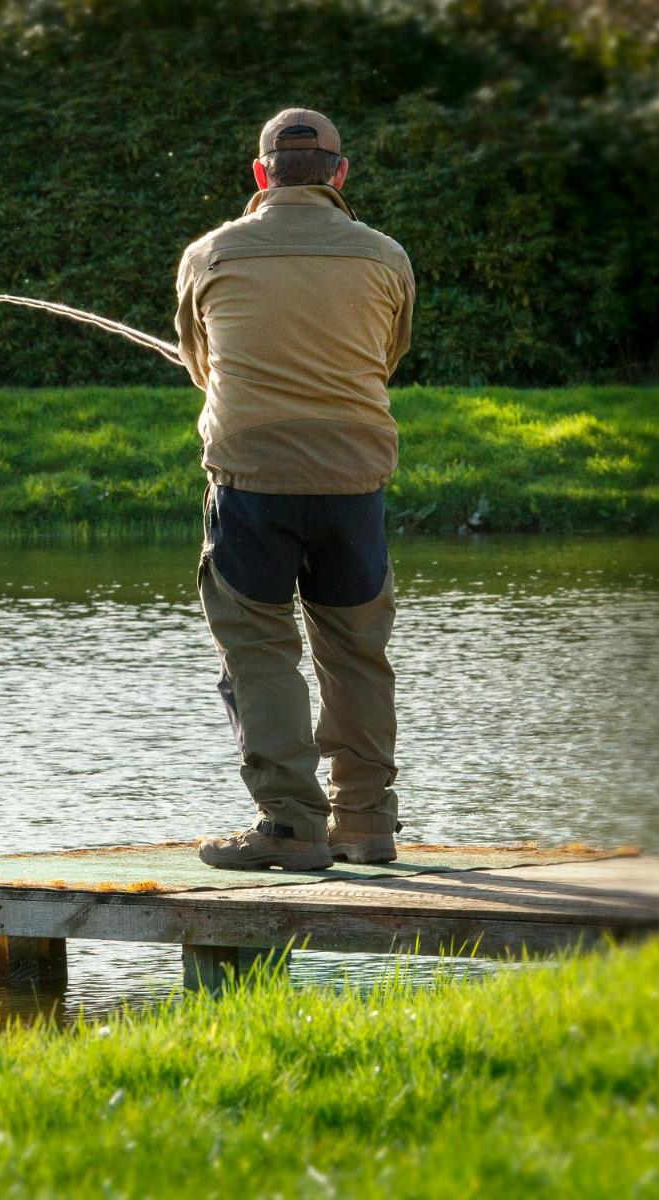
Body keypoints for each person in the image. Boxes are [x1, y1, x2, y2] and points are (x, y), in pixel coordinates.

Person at [175, 108, 414, 871]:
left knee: (258, 649)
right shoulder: (386, 257)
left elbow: (199, 368)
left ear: (260, 175)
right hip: (354, 480)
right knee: (357, 653)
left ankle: (289, 825)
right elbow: (387, 356)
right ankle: (367, 825)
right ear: (340, 175)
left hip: (252, 483)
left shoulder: (209, 254)